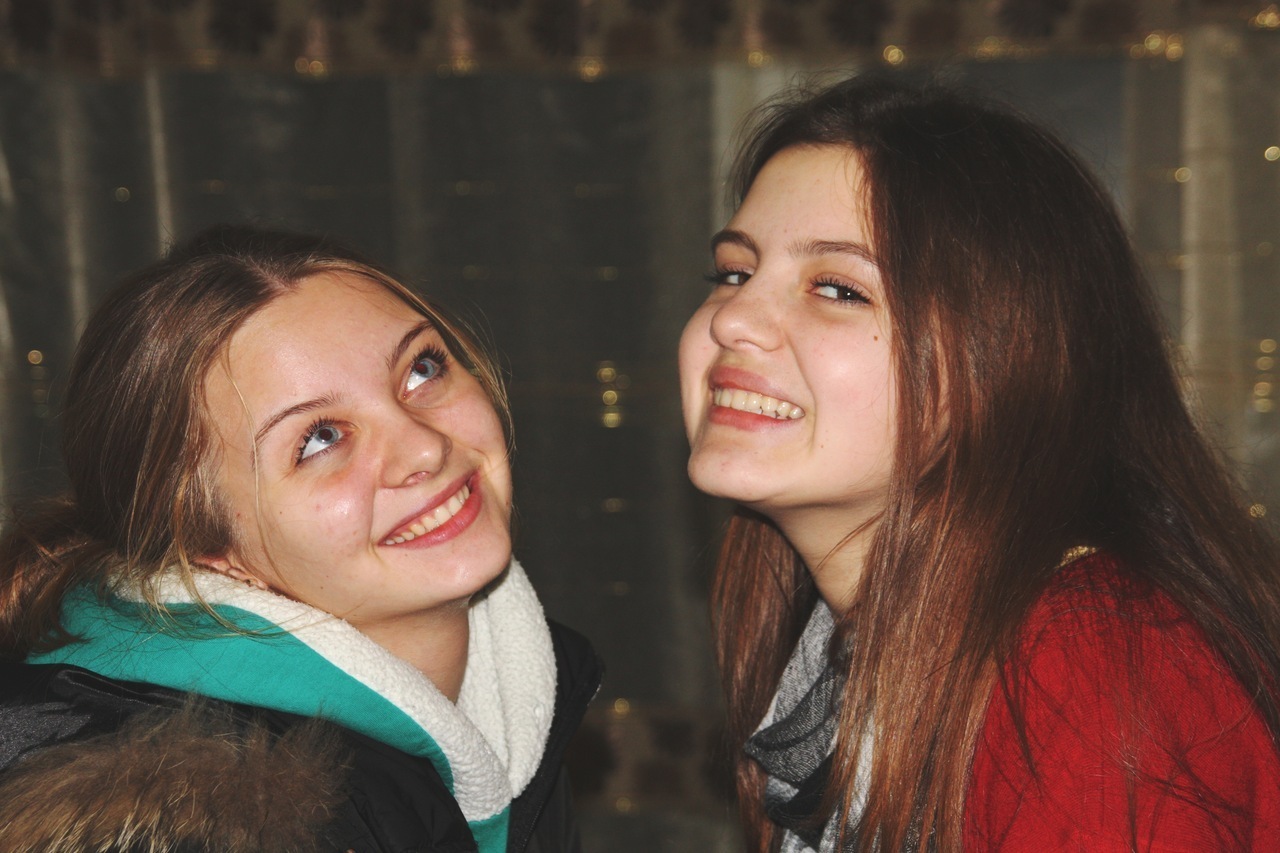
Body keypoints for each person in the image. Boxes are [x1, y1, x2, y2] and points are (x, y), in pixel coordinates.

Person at [680, 75, 1280, 851]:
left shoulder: (1092, 663)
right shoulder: (848, 651)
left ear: (1002, 357)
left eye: (837, 288)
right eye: (733, 272)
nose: (733, 317)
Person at [0, 224, 601, 852]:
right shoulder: (203, 828)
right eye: (320, 438)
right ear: (210, 551)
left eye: (421, 370)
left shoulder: (516, 715)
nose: (426, 447)